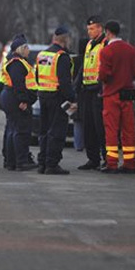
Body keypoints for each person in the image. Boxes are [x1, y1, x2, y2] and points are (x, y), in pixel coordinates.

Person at [98, 21, 135, 174]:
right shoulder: (131, 50)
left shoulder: (106, 51)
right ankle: (130, 164)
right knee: (128, 130)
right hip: (127, 95)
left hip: (111, 95)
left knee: (111, 130)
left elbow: (104, 74)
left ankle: (112, 163)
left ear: (107, 32)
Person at [35, 26, 76, 175]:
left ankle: (42, 163)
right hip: (57, 98)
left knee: (44, 131)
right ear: (66, 39)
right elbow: (64, 82)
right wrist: (72, 98)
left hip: (43, 95)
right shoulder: (62, 57)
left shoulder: (42, 54)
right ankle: (52, 164)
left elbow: (37, 76)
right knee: (57, 132)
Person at [0, 34, 38, 171]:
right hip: (15, 97)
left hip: (9, 96)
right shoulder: (17, 63)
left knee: (12, 129)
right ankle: (21, 161)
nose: (28, 50)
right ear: (21, 49)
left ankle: (11, 161)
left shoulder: (12, 61)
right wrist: (23, 100)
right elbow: (18, 83)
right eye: (27, 47)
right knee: (20, 130)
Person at [74, 15, 108, 171]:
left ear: (100, 28)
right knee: (88, 126)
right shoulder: (89, 45)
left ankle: (105, 157)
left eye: (92, 29)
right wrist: (76, 86)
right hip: (87, 90)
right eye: (88, 29)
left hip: (99, 91)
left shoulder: (105, 44)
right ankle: (92, 159)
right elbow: (83, 67)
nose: (89, 32)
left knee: (99, 127)